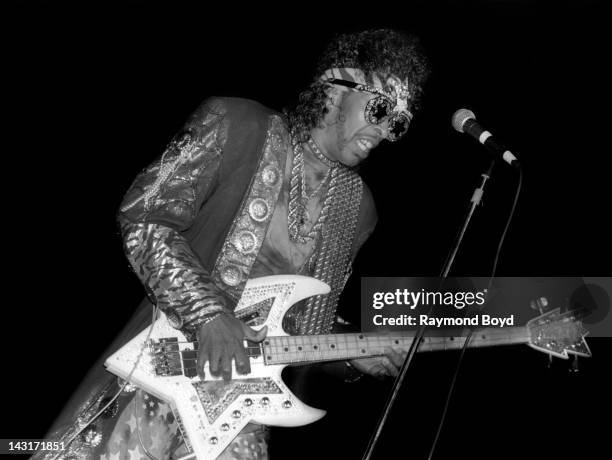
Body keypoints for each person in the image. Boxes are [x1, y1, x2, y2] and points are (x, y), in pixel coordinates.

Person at [36, 28, 430, 459]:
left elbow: (299, 322)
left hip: (238, 422)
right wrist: (208, 315)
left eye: (399, 124)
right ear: (335, 91)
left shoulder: (359, 209)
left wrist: (352, 354)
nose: (386, 131)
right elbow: (144, 215)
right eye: (379, 108)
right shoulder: (235, 122)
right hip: (157, 381)